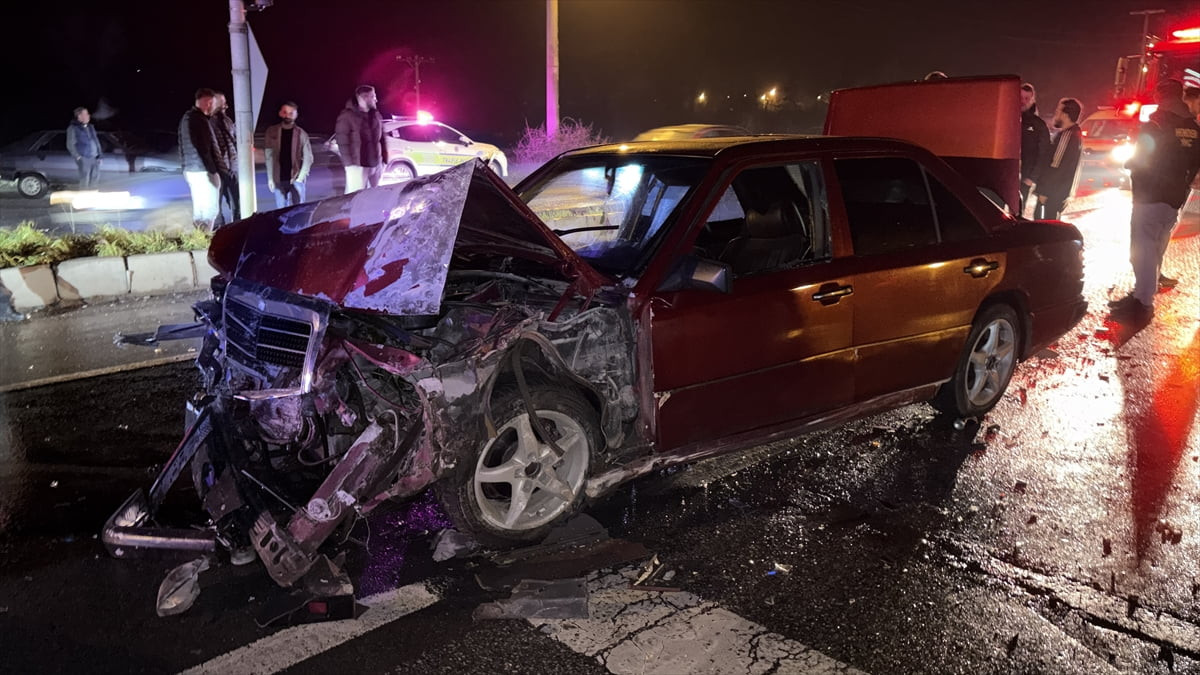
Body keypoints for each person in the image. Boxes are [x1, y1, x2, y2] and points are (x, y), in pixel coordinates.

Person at [1108, 79, 1200, 321]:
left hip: (1149, 195)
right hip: (1174, 198)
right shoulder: (1193, 127)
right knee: (1156, 246)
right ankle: (1143, 293)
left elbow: (1142, 156)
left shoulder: (1156, 124)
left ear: (1161, 97)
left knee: (1143, 248)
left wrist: (1132, 166)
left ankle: (1142, 301)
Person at [1033, 98, 1084, 220]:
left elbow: (1057, 166)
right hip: (1057, 191)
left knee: (1045, 228)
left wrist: (1045, 191)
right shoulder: (1072, 134)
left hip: (1053, 192)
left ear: (1065, 115)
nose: (1056, 114)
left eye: (1058, 111)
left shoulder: (1067, 136)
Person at [179, 88, 222, 231]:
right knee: (210, 210)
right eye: (214, 104)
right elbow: (204, 148)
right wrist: (213, 171)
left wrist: (184, 168)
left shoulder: (186, 118)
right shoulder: (200, 120)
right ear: (209, 103)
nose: (214, 108)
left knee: (199, 209)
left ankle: (198, 240)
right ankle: (206, 242)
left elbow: (181, 145)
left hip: (190, 169)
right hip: (203, 170)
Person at [335, 85, 385, 193]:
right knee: (355, 198)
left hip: (376, 164)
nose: (376, 99)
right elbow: (342, 141)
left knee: (375, 196)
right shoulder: (347, 116)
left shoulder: (375, 114)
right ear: (365, 97)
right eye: (373, 96)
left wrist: (383, 160)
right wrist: (349, 165)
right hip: (357, 165)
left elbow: (382, 138)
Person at [264, 101, 314, 208]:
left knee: (299, 211)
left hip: (296, 179)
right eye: (285, 112)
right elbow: (269, 156)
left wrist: (300, 178)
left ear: (296, 115)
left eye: (291, 113)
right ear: (280, 113)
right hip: (278, 179)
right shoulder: (271, 131)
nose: (287, 115)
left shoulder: (302, 134)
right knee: (281, 212)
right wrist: (270, 178)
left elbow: (308, 158)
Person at [1019, 83, 1051, 215]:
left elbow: (1043, 153)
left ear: (1033, 100)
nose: (1023, 101)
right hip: (1005, 175)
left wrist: (1031, 178)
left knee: (1018, 213)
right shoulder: (1004, 119)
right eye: (1020, 97)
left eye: (1027, 98)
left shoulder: (1038, 125)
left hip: (1025, 178)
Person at [211, 91, 239, 225]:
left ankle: (238, 226)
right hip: (218, 170)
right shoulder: (209, 123)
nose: (226, 106)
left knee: (237, 202)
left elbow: (234, 141)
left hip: (233, 168)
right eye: (222, 103)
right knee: (216, 204)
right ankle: (218, 229)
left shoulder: (227, 121)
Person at [66, 107, 102, 189]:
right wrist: (78, 156)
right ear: (79, 116)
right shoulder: (73, 128)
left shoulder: (91, 127)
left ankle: (93, 197)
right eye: (86, 114)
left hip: (95, 157)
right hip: (84, 157)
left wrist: (100, 155)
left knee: (95, 178)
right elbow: (70, 144)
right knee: (84, 179)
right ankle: (83, 198)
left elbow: (96, 141)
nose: (88, 115)